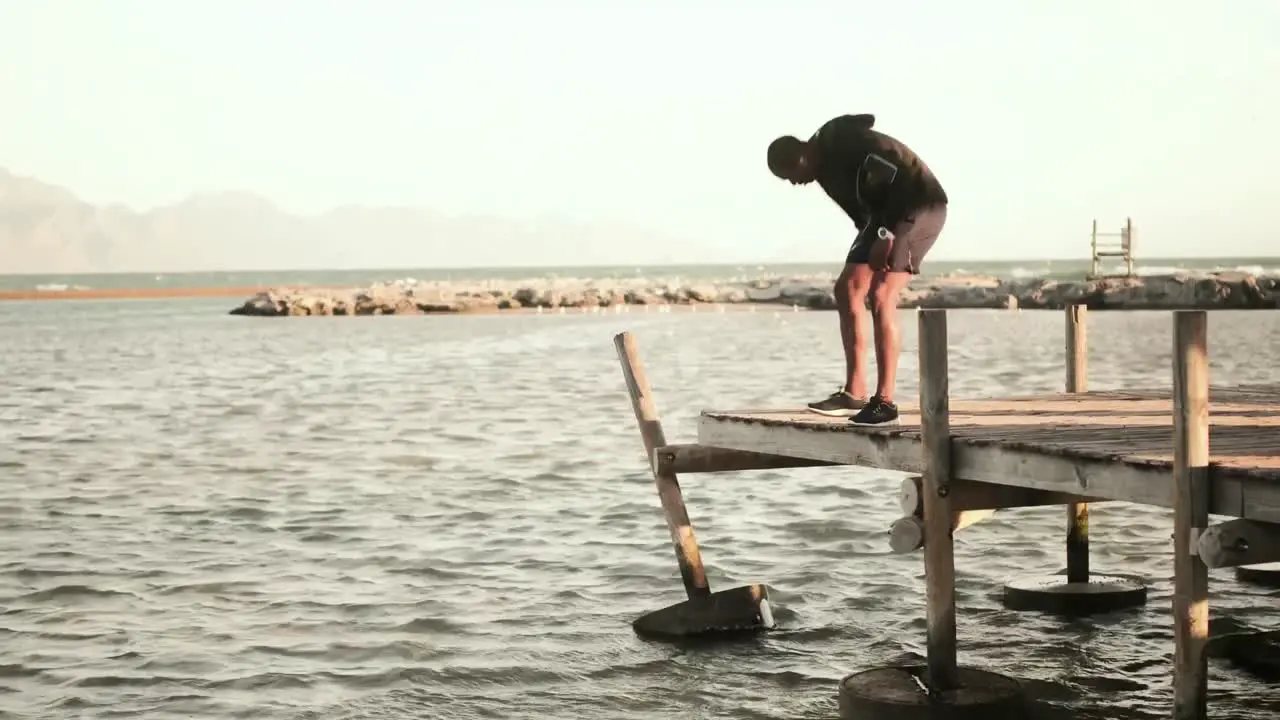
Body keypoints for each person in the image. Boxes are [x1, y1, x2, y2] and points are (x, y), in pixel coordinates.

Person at [766, 113, 948, 426]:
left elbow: (896, 183)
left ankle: (885, 401)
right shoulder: (823, 172)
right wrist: (875, 236)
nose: (795, 183)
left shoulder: (843, 143)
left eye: (792, 173)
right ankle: (855, 391)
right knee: (847, 289)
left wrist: (886, 237)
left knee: (880, 293)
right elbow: (864, 212)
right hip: (883, 219)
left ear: (804, 153)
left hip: (919, 206)